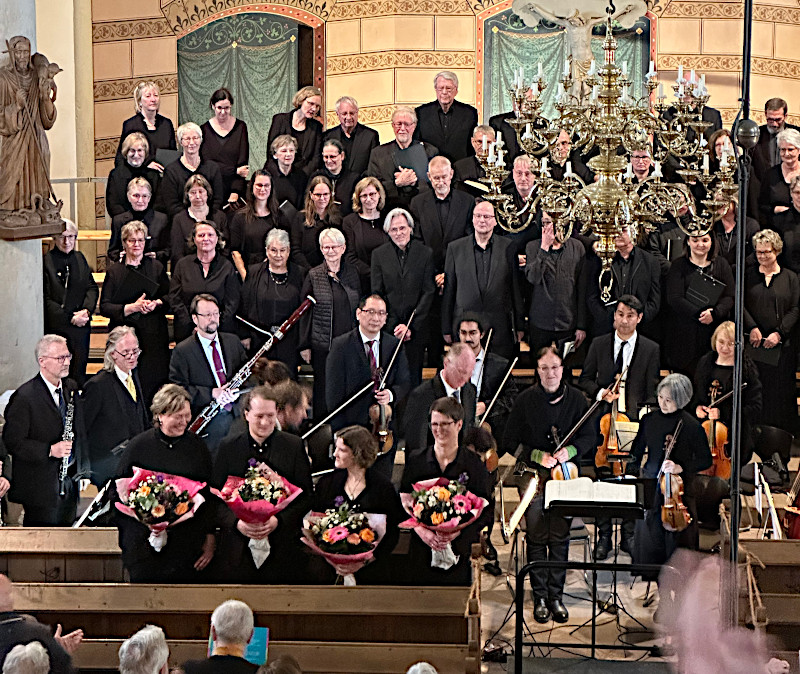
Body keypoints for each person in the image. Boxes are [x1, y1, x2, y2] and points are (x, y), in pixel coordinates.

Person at [502, 345, 595, 624]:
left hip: (565, 476)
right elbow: (509, 440)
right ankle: (539, 595)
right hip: (532, 475)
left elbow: (590, 437)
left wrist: (571, 452)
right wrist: (536, 455)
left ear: (563, 370)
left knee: (560, 534)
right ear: (537, 371)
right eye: (544, 368)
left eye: (555, 367)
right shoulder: (525, 401)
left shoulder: (577, 400)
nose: (550, 373)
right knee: (537, 529)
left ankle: (557, 596)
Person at [577, 296, 661, 560]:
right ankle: (603, 536)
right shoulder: (599, 344)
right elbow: (585, 379)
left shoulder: (650, 348)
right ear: (614, 316)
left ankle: (627, 534)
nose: (624, 321)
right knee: (602, 480)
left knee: (629, 480)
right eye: (620, 314)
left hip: (632, 426)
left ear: (639, 319)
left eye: (630, 316)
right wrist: (601, 392)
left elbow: (652, 390)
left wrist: (642, 420)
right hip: (603, 426)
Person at [113, 384, 217, 583]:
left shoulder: (197, 447)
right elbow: (118, 495)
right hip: (143, 545)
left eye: (186, 415)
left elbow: (209, 495)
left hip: (187, 544)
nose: (184, 422)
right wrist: (147, 523)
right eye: (177, 416)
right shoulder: (139, 446)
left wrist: (210, 536)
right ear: (160, 415)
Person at [213, 388, 312, 584]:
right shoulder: (228, 447)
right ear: (246, 414)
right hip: (237, 553)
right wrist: (237, 523)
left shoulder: (293, 446)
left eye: (270, 416)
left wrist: (278, 521)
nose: (265, 422)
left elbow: (306, 496)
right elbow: (215, 497)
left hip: (282, 551)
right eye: (259, 416)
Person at [400, 397, 492, 585]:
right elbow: (402, 501)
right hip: (422, 549)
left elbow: (486, 511)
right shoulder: (417, 460)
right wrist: (423, 532)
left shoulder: (473, 464)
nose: (438, 430)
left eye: (445, 424)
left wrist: (456, 533)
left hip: (460, 549)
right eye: (434, 424)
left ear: (459, 425)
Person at [627, 374, 711, 576]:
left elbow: (705, 460)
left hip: (678, 488)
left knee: (677, 537)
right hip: (652, 482)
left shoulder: (691, 426)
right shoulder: (649, 420)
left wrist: (681, 467)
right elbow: (636, 452)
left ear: (681, 400)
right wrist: (631, 474)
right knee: (649, 530)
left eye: (669, 400)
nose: (663, 403)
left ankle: (678, 575)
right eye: (661, 398)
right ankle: (650, 574)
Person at [325, 294, 411, 477]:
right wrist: (342, 434)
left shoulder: (394, 345)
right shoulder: (340, 346)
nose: (376, 318)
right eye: (370, 312)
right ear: (358, 313)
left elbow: (404, 382)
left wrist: (391, 394)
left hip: (383, 430)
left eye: (381, 313)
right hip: (353, 428)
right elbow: (333, 395)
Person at [3, 335, 83, 526]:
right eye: (60, 358)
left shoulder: (70, 387)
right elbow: (13, 442)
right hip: (39, 488)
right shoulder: (25, 397)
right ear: (42, 362)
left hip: (68, 482)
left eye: (68, 356)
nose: (66, 362)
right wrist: (49, 449)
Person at [312, 425, 405, 583]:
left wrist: (364, 561)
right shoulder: (327, 484)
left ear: (357, 453)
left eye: (342, 450)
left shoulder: (382, 487)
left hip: (371, 575)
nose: (335, 454)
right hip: (330, 573)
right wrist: (333, 561)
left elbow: (392, 534)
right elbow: (314, 527)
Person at [693, 322, 763, 523]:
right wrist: (697, 408)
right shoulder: (706, 362)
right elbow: (695, 396)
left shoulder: (746, 370)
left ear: (739, 345)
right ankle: (702, 520)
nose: (724, 348)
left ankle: (724, 524)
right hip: (704, 435)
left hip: (733, 439)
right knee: (698, 479)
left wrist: (724, 414)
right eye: (721, 342)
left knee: (721, 483)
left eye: (730, 344)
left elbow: (755, 407)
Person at [442, 199, 523, 360]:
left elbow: (515, 289)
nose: (482, 220)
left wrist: (520, 326)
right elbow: (450, 290)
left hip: (499, 328)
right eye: (478, 216)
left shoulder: (508, 247)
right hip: (465, 328)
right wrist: (446, 327)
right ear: (472, 219)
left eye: (486, 216)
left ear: (494, 220)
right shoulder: (455, 248)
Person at [100, 220, 171, 403]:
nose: (137, 244)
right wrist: (131, 308)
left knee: (152, 381)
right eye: (132, 240)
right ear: (124, 243)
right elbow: (105, 307)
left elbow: (170, 297)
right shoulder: (115, 271)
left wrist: (156, 303)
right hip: (126, 334)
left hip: (152, 334)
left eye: (140, 240)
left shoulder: (156, 267)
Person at [169, 294, 249, 454]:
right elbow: (178, 390)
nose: (213, 319)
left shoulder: (233, 342)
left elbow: (249, 375)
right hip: (208, 424)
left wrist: (239, 392)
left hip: (238, 418)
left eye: (215, 313)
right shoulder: (182, 351)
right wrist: (212, 393)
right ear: (194, 318)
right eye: (206, 315)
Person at [299, 228, 360, 420]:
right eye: (326, 247)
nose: (330, 251)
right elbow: (304, 312)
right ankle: (321, 432)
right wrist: (304, 344)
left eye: (334, 247)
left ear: (343, 248)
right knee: (323, 390)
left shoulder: (353, 274)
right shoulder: (314, 275)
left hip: (350, 343)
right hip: (323, 344)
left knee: (348, 388)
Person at [371, 208, 436, 387]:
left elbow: (428, 291)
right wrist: (393, 325)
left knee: (414, 378)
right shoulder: (378, 255)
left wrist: (409, 326)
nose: (399, 233)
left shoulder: (425, 253)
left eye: (402, 228)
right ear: (388, 232)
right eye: (394, 230)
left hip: (416, 329)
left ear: (410, 228)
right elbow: (378, 293)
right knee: (391, 379)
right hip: (389, 329)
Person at [744, 229, 800, 432]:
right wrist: (752, 328)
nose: (762, 256)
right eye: (759, 252)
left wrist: (779, 333)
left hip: (782, 347)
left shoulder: (791, 278)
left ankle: (780, 434)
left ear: (776, 251)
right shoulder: (748, 276)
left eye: (767, 252)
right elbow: (740, 304)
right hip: (755, 345)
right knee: (757, 388)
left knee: (780, 392)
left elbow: (796, 308)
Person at [81, 327, 150, 487]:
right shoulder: (97, 385)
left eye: (135, 351)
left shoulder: (135, 376)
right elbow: (84, 428)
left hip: (134, 461)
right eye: (126, 353)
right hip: (109, 466)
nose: (132, 357)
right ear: (112, 354)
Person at [0, 36, 57, 212]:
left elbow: (47, 119)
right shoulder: (4, 79)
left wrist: (44, 96)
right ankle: (12, 208)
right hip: (15, 140)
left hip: (37, 136)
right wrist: (16, 106)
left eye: (26, 51)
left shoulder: (36, 77)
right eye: (18, 52)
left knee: (40, 167)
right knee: (12, 174)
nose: (23, 56)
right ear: (12, 54)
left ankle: (38, 204)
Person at [665, 232, 734, 375]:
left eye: (705, 240)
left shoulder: (721, 264)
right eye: (695, 240)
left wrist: (715, 313)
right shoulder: (678, 265)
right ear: (688, 242)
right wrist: (699, 314)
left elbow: (730, 296)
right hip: (685, 333)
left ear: (712, 242)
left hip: (713, 330)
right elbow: (674, 298)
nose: (700, 245)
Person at [239, 229, 304, 372]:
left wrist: (304, 344)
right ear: (267, 251)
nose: (278, 255)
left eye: (282, 250)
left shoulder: (300, 274)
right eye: (273, 250)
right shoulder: (254, 272)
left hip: (289, 342)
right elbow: (244, 303)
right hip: (261, 341)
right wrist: (244, 335)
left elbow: (305, 313)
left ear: (288, 251)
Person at [43, 220, 99, 386]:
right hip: (58, 327)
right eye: (62, 237)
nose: (66, 242)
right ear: (54, 238)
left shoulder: (80, 258)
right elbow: (45, 299)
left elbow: (91, 288)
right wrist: (69, 318)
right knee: (60, 375)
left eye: (71, 237)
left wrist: (87, 312)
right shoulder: (47, 262)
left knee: (79, 374)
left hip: (81, 326)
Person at [525, 210, 587, 353]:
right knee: (540, 370)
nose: (551, 227)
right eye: (546, 222)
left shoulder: (577, 247)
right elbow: (533, 278)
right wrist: (544, 249)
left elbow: (582, 289)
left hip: (568, 323)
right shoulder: (532, 247)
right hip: (540, 322)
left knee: (565, 371)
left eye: (555, 222)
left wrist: (581, 326)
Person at [168, 221, 241, 342]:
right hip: (187, 332)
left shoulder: (227, 266)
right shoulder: (183, 265)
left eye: (210, 235)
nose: (206, 239)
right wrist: (194, 325)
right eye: (201, 235)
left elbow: (232, 301)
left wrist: (212, 326)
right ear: (194, 239)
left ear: (217, 238)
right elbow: (174, 298)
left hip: (219, 332)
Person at [401, 342, 477, 453]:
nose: (465, 379)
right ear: (446, 363)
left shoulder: (469, 392)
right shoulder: (421, 395)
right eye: (461, 372)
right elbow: (416, 444)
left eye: (469, 373)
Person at [586, 224, 661, 335]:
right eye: (614, 230)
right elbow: (592, 296)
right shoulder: (600, 258)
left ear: (634, 232)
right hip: (606, 330)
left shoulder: (650, 262)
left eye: (623, 230)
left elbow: (654, 301)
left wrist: (635, 320)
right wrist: (612, 320)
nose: (618, 234)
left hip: (640, 330)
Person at [0, 574, 79, 674]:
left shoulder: (37, 632)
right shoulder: (38, 634)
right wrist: (55, 651)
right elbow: (65, 669)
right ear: (10, 598)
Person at [367, 107, 438, 209]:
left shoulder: (429, 151)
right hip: (390, 210)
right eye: (399, 124)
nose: (402, 128)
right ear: (393, 126)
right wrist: (396, 183)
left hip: (422, 209)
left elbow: (437, 184)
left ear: (414, 126)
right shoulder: (378, 154)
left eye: (407, 124)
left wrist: (415, 182)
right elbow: (372, 187)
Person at [229, 171, 288, 280]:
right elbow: (235, 251)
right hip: (247, 272)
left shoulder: (279, 216)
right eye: (259, 185)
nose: (263, 189)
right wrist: (246, 277)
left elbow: (286, 247)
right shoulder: (240, 217)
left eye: (266, 185)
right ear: (252, 187)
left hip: (273, 272)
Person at [161, 122, 224, 219]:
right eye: (187, 139)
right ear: (180, 142)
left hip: (209, 220)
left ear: (201, 140)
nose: (191, 143)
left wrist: (205, 218)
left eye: (195, 138)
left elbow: (217, 200)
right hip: (182, 223)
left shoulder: (213, 168)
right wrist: (192, 219)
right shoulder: (171, 171)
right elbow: (172, 205)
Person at [413, 71, 478, 163]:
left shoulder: (469, 113)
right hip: (430, 169)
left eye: (448, 88)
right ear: (435, 89)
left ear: (456, 90)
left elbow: (472, 145)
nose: (444, 92)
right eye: (441, 88)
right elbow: (416, 144)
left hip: (461, 168)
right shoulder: (421, 112)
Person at [169, 174, 230, 270]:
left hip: (217, 270)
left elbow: (225, 248)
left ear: (207, 193)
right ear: (187, 195)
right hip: (188, 271)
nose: (197, 196)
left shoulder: (220, 217)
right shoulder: (179, 219)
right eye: (193, 192)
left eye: (201, 191)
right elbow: (177, 252)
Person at [200, 87, 250, 205]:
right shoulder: (204, 130)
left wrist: (235, 191)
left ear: (231, 106)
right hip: (211, 190)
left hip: (235, 191)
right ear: (213, 106)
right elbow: (208, 165)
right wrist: (234, 171)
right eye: (219, 108)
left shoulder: (241, 127)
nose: (223, 112)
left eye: (226, 108)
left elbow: (242, 165)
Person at [108, 177, 169, 269]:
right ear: (128, 197)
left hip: (153, 270)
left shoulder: (162, 219)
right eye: (136, 196)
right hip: (126, 269)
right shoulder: (118, 220)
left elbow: (168, 250)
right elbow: (112, 251)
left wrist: (156, 255)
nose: (140, 200)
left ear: (149, 198)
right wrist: (120, 256)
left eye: (144, 196)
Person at [751, 98, 800, 210]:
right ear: (765, 114)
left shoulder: (797, 133)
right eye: (770, 120)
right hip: (764, 195)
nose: (774, 124)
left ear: (786, 116)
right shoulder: (755, 136)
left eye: (778, 119)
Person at [115, 81, 176, 171]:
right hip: (140, 176)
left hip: (163, 177)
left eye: (156, 95)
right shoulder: (130, 125)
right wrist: (145, 165)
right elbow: (121, 158)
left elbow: (173, 153)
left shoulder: (166, 124)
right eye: (148, 96)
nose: (153, 99)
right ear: (139, 101)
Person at [342, 177, 388, 294]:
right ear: (358, 198)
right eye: (364, 196)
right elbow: (349, 257)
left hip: (388, 281)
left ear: (379, 194)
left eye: (372, 194)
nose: (369, 199)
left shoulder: (388, 219)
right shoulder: (349, 222)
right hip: (360, 282)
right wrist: (374, 273)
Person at [290, 176, 343, 272]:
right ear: (311, 195)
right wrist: (312, 272)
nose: (322, 198)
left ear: (331, 194)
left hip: (333, 271)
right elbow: (295, 250)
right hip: (307, 271)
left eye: (325, 194)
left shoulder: (337, 218)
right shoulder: (300, 218)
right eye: (318, 195)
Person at [267, 86, 322, 176]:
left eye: (317, 106)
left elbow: (316, 158)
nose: (314, 109)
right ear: (301, 100)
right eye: (311, 103)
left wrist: (300, 177)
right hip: (277, 175)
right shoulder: (280, 120)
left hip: (303, 177)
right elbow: (271, 151)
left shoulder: (316, 127)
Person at [106, 133, 162, 218]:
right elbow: (113, 205)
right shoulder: (115, 175)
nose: (136, 155)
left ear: (145, 152)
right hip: (124, 223)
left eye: (139, 150)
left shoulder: (154, 175)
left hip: (150, 223)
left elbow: (158, 204)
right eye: (132, 150)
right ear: (126, 152)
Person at [323, 96, 379, 177]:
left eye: (352, 113)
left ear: (357, 113)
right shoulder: (328, 136)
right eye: (344, 113)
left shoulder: (371, 136)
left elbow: (373, 166)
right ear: (337, 114)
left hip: (361, 185)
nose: (348, 117)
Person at [759, 128, 800, 229]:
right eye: (783, 150)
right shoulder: (770, 174)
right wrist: (774, 209)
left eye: (790, 149)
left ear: (799, 150)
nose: (786, 154)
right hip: (778, 228)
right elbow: (762, 205)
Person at [712, 191, 760, 268]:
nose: (720, 204)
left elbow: (754, 254)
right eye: (717, 201)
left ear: (734, 202)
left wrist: (736, 268)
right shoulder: (712, 225)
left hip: (744, 272)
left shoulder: (750, 225)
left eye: (724, 200)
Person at [311, 139, 358, 216]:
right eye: (326, 157)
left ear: (342, 156)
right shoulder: (316, 177)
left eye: (332, 156)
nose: (329, 161)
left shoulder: (354, 179)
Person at [264, 135, 307, 210]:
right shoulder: (267, 176)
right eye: (284, 151)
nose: (288, 154)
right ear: (275, 155)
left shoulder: (301, 176)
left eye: (291, 150)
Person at [453, 125, 494, 197]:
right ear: (473, 141)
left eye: (488, 142)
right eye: (479, 141)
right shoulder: (460, 167)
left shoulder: (501, 167)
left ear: (494, 142)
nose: (483, 146)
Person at [774, 174, 800, 275]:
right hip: (787, 275)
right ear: (791, 193)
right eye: (797, 192)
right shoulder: (778, 220)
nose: (799, 196)